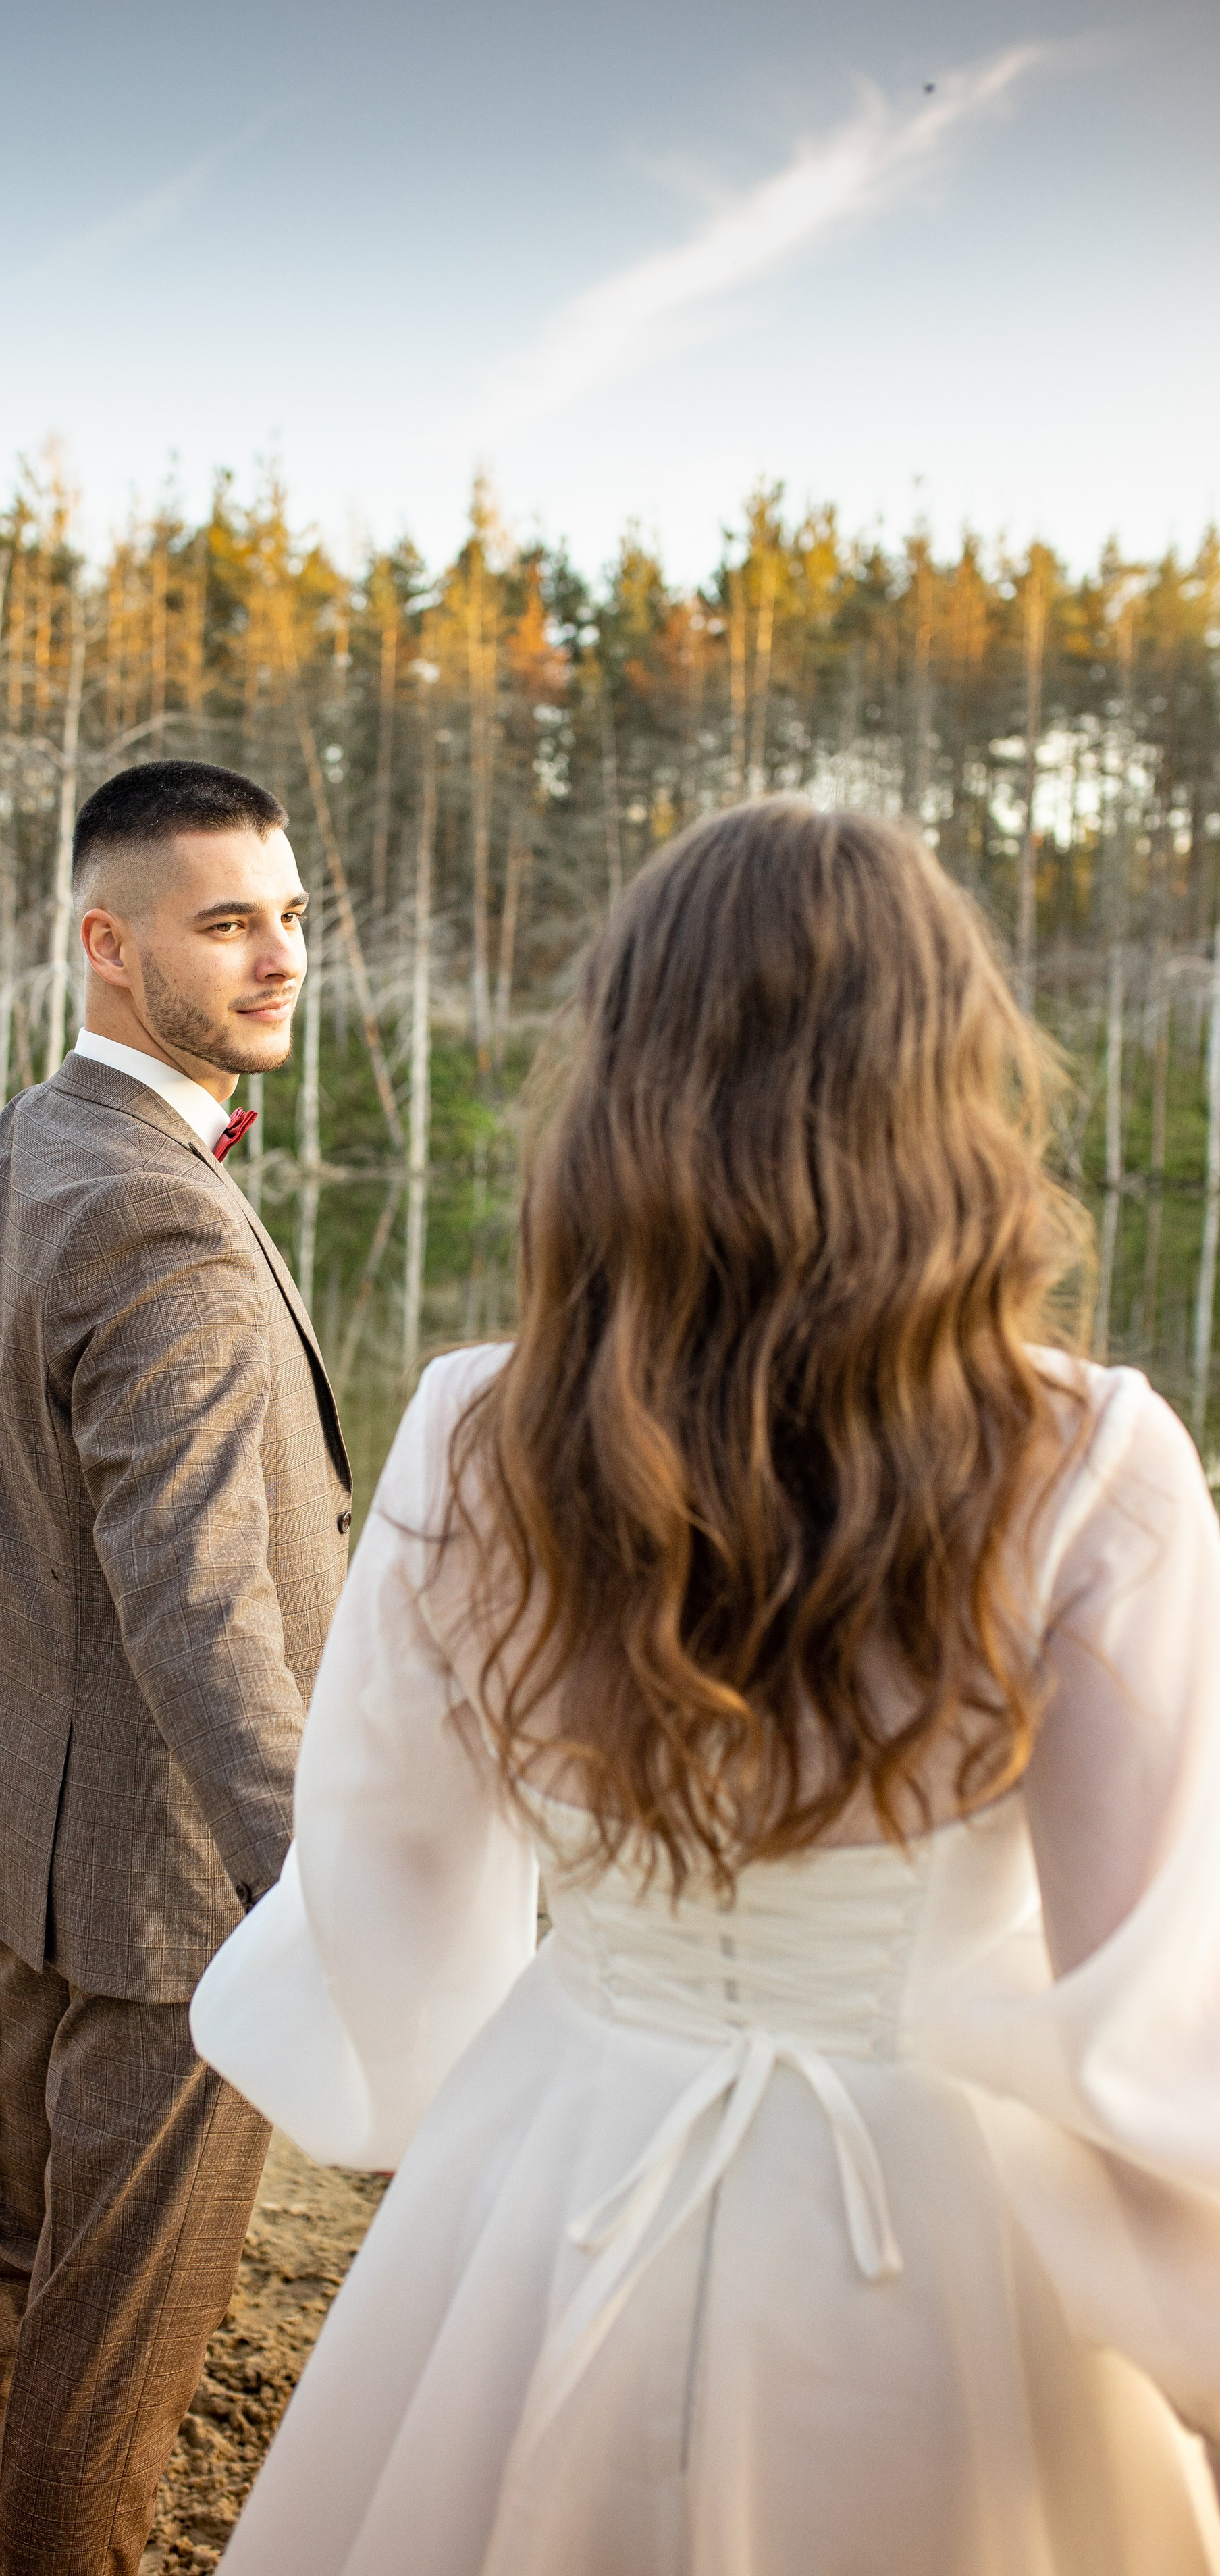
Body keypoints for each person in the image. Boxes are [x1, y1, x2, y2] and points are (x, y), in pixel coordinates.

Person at [192, 799, 1220, 2575]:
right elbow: (1149, 2005)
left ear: (622, 1081)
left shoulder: (475, 1431)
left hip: (553, 2164)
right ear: (953, 1078)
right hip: (936, 2224)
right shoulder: (1092, 1460)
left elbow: (382, 1875)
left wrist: (446, 2114)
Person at [0, 760, 351, 2576]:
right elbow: (202, 1600)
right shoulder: (155, 1216)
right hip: (171, 1890)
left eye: (292, 917)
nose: (279, 958)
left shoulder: (17, 1150)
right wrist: (312, 1895)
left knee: (16, 2250)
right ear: (109, 946)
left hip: (38, 1848)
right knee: (111, 2362)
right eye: (229, 924)